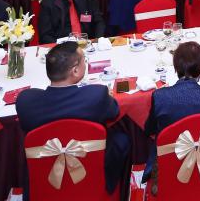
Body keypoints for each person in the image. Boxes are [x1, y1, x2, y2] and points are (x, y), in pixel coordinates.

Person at [16, 42, 130, 195]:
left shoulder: (26, 101)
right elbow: (114, 112)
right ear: (75, 71)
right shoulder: (96, 95)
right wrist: (108, 97)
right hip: (91, 168)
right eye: (84, 60)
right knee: (122, 139)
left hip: (44, 174)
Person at [142, 42, 200, 190]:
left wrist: (162, 94)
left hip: (168, 166)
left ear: (175, 68)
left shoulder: (160, 96)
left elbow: (149, 130)